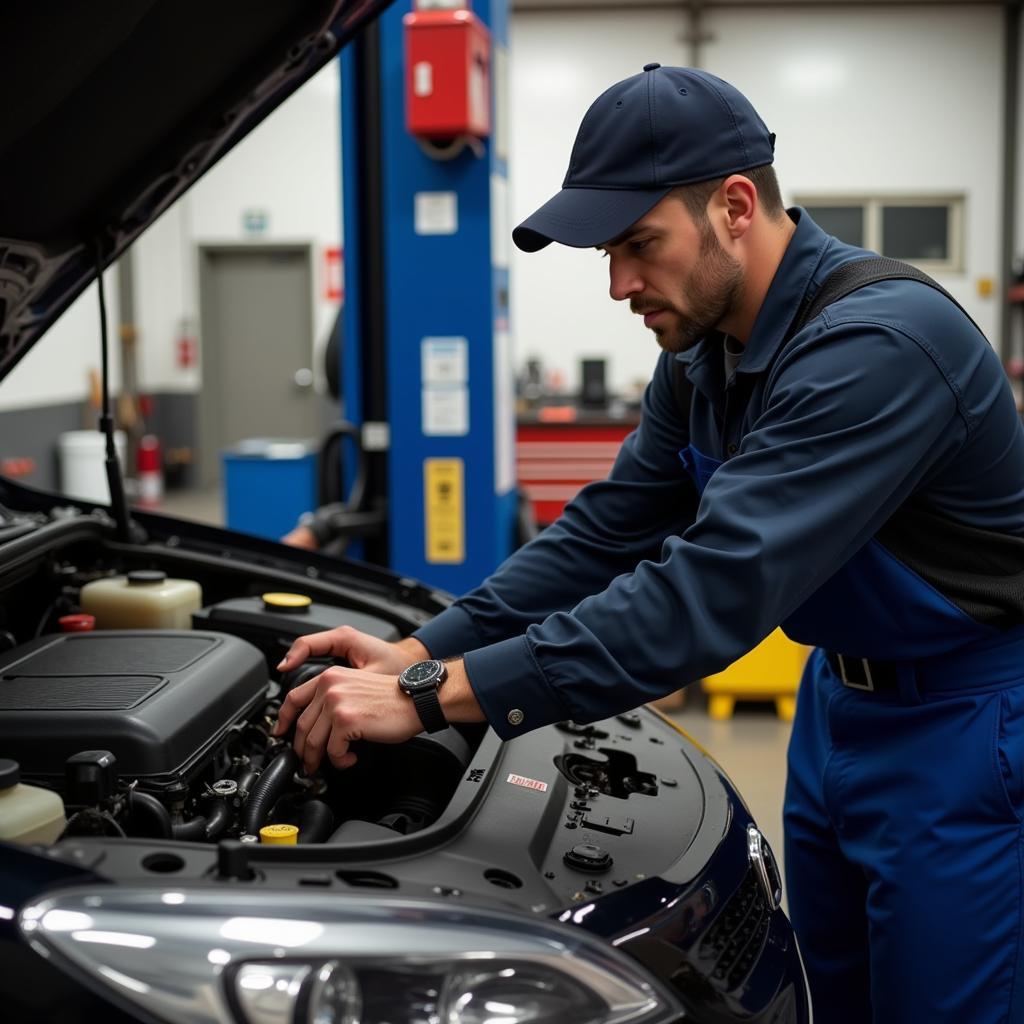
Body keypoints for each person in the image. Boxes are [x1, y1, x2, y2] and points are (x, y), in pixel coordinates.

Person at [273, 64, 1024, 1022]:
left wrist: (430, 700)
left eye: (640, 245)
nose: (622, 283)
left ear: (737, 206)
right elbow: (606, 531)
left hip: (966, 727)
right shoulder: (708, 353)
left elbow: (705, 594)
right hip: (841, 709)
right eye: (608, 253)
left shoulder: (878, 347)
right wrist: (425, 648)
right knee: (832, 997)